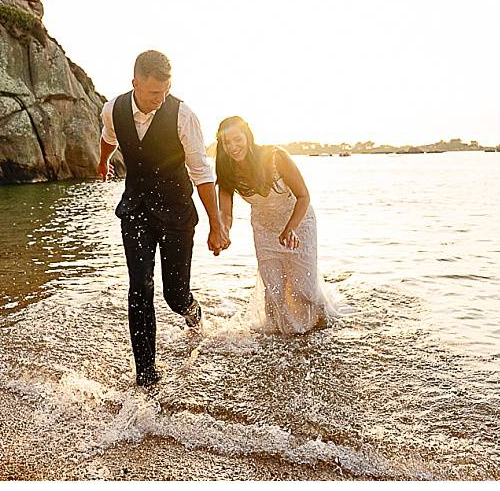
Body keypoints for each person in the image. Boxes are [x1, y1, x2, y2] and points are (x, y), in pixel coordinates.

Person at [98, 50, 230, 387]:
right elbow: (108, 138)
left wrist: (216, 225)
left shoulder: (183, 115)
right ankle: (146, 373)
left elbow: (202, 174)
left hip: (176, 214)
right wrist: (103, 162)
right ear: (135, 84)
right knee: (139, 286)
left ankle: (192, 312)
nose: (161, 98)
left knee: (175, 294)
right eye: (154, 92)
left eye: (166, 90)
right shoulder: (113, 109)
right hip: (136, 210)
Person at [215, 116, 344, 334]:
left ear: (248, 136)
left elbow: (303, 196)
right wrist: (223, 232)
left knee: (304, 288)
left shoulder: (275, 157)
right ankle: (281, 337)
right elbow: (225, 213)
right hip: (264, 229)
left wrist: (290, 228)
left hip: (298, 223)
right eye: (227, 143)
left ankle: (320, 326)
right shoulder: (227, 169)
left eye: (237, 139)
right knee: (274, 289)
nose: (233, 147)